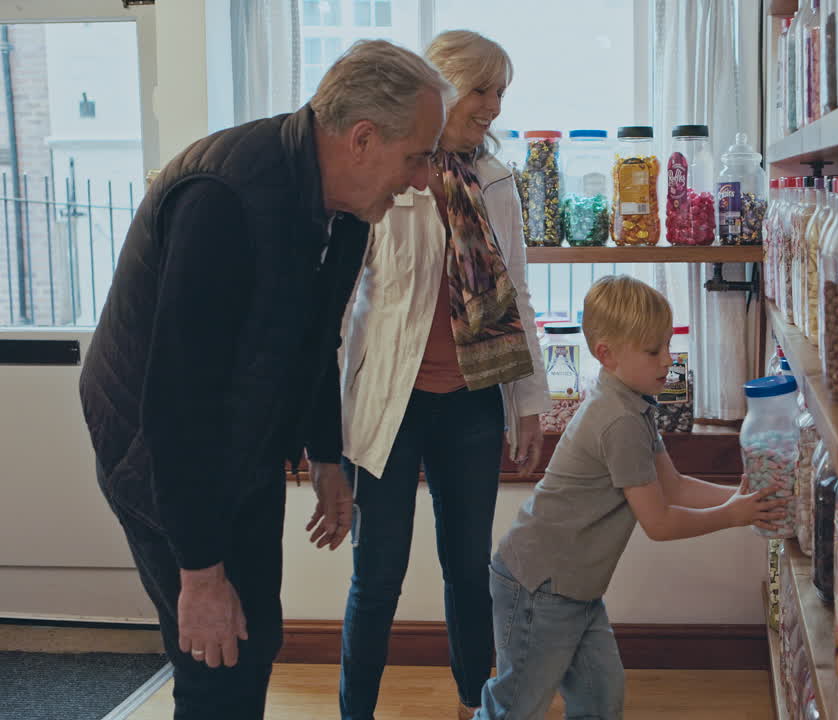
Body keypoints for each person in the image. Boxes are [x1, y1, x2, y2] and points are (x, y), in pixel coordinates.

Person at [78, 40, 451, 719]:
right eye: (418, 156)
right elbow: (177, 401)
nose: (423, 178)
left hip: (238, 442)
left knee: (256, 639)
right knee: (214, 658)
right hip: (157, 454)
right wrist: (198, 572)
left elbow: (315, 337)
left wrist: (328, 454)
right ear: (363, 137)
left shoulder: (348, 206)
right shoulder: (226, 199)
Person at [335, 31, 550, 720]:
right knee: (378, 577)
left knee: (468, 570)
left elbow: (514, 293)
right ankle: (355, 713)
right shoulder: (387, 176)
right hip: (389, 406)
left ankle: (471, 705)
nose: (491, 106)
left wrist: (528, 403)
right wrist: (316, 425)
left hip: (471, 403)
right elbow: (340, 308)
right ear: (446, 87)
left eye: (499, 93)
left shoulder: (497, 183)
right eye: (481, 90)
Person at [475, 275, 788, 720]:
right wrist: (734, 515)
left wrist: (736, 496)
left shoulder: (633, 402)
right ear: (606, 354)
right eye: (653, 350)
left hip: (574, 590)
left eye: (666, 345)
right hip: (538, 588)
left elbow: (674, 486)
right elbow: (659, 524)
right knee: (517, 707)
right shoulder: (618, 420)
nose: (667, 360)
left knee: (601, 700)